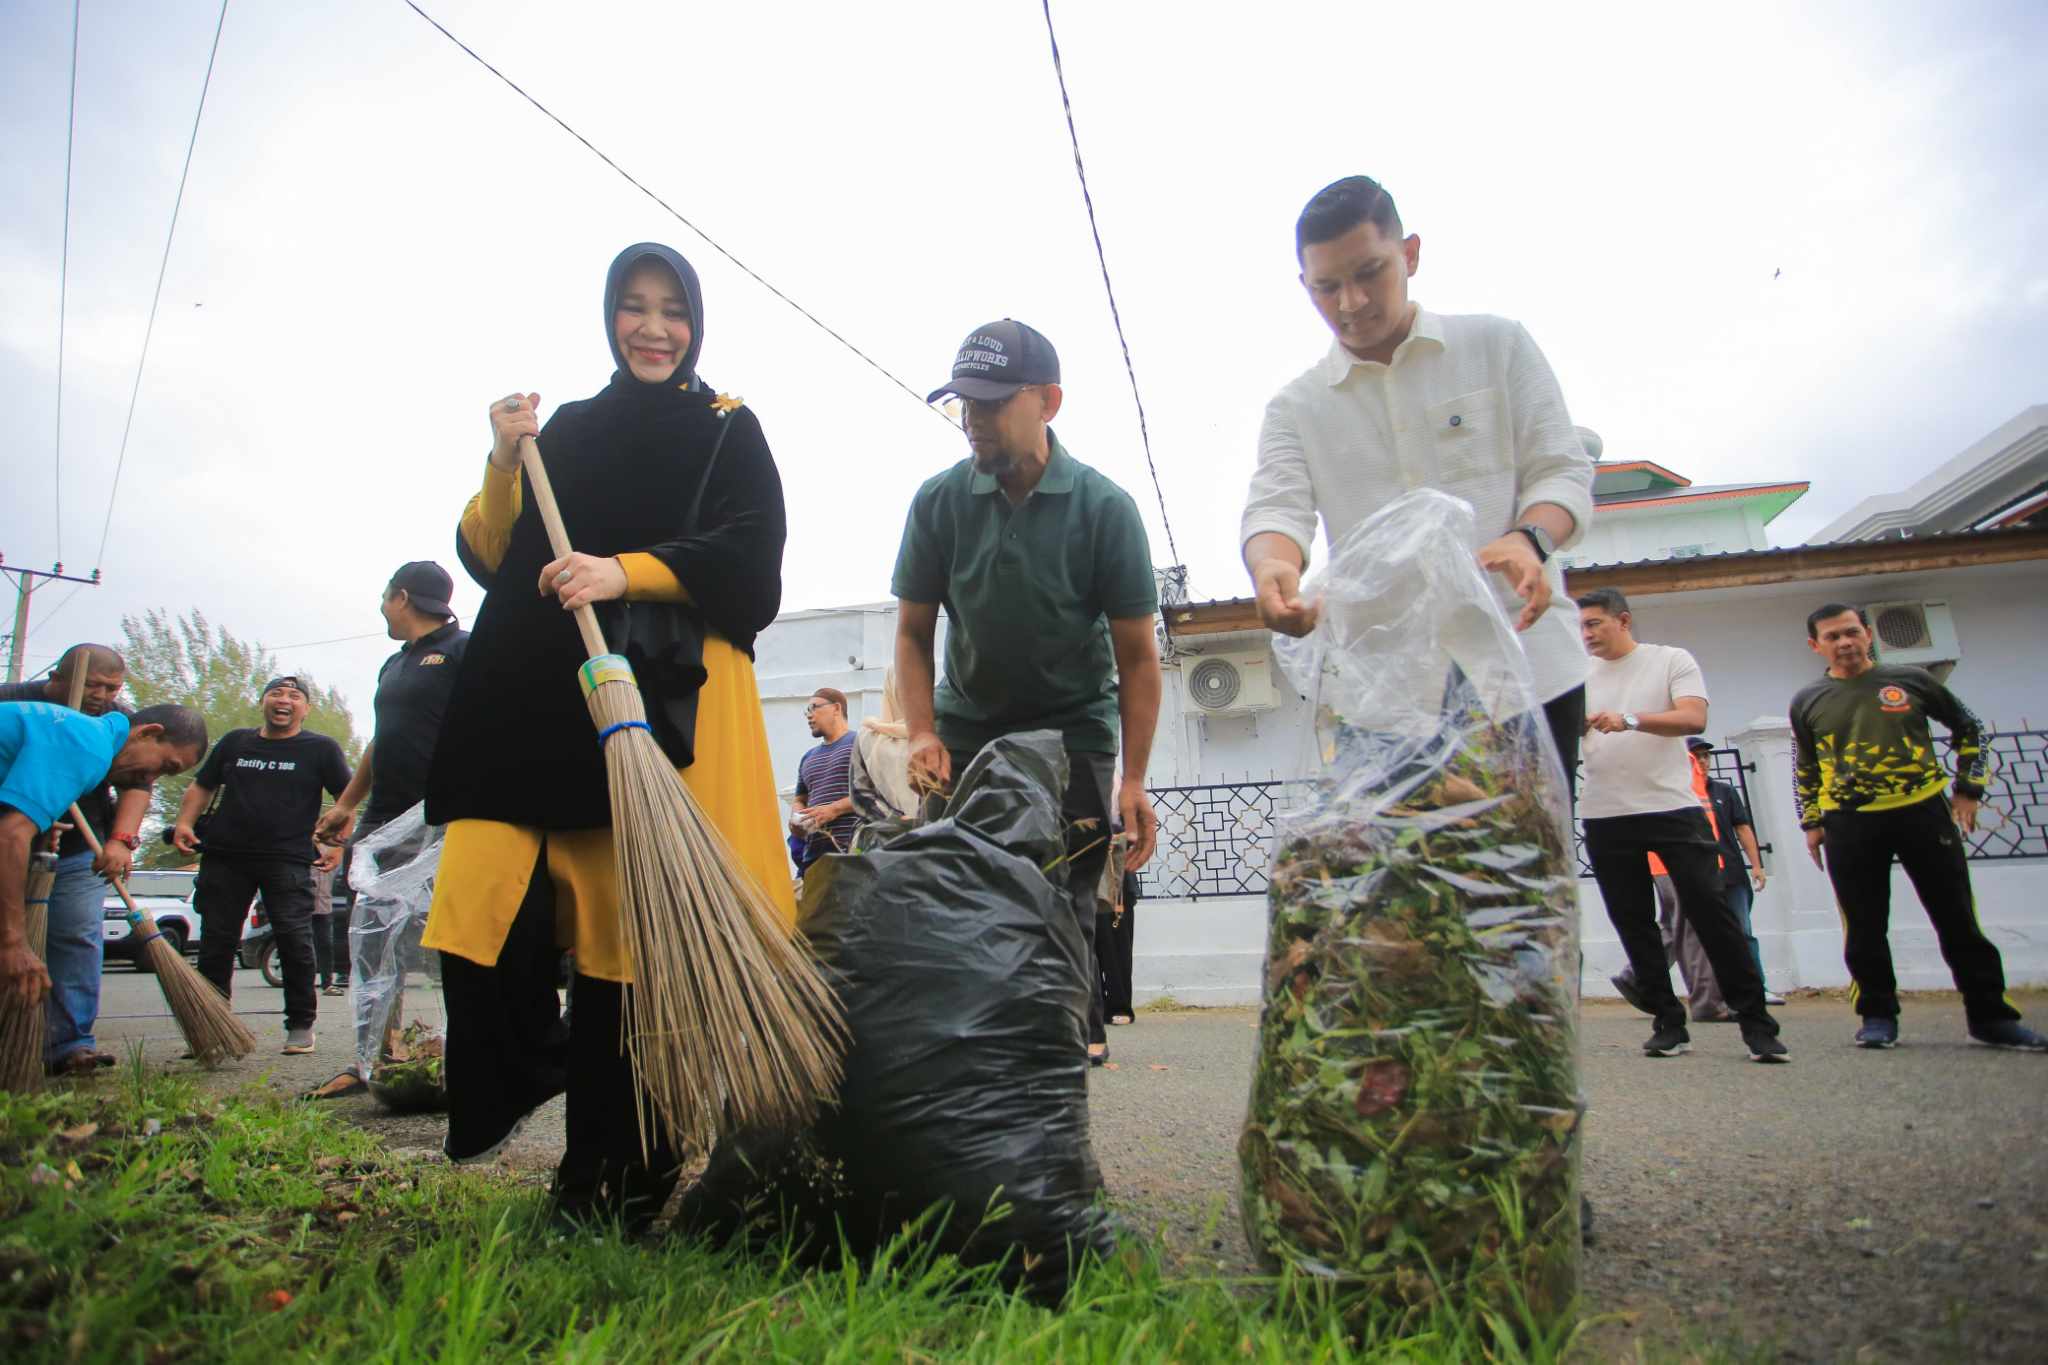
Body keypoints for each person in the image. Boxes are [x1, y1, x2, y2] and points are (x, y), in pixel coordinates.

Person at [420, 242, 795, 1230]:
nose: (653, 328)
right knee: (475, 901)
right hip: (544, 712)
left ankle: (612, 1185)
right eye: (633, 307)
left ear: (695, 322)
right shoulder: (569, 431)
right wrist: (504, 460)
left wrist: (621, 570)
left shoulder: (726, 428)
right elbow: (500, 552)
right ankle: (527, 1066)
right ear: (608, 317)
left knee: (631, 960)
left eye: (671, 309)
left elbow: (750, 562)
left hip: (676, 710)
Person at [1240, 175, 1595, 792]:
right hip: (1383, 698)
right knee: (1407, 880)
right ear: (1305, 286)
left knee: (1530, 877)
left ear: (1410, 254)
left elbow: (1561, 468)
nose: (1350, 302)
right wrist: (1273, 569)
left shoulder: (1496, 345)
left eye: (1369, 273)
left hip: (1523, 670)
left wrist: (1527, 539)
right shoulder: (1296, 408)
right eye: (1327, 287)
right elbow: (1277, 508)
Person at [894, 318, 1162, 1067]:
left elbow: (1139, 659)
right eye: (963, 405)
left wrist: (1132, 777)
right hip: (968, 726)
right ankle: (975, 1048)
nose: (972, 420)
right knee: (961, 886)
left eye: (989, 402)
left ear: (1048, 401)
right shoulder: (939, 503)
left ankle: (1063, 1041)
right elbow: (913, 635)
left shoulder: (1105, 509)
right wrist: (922, 731)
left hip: (1074, 726)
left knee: (1063, 899)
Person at [1793, 603, 2043, 1051]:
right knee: (1865, 926)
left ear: (1867, 634)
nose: (1844, 642)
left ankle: (1991, 1017)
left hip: (1922, 812)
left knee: (1957, 918)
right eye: (1832, 637)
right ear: (1816, 646)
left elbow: (1970, 728)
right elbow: (1807, 766)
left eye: (1851, 632)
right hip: (1849, 822)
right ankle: (1877, 1016)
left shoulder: (1912, 681)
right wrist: (1811, 821)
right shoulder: (1807, 701)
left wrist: (1969, 787)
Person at [1577, 589, 1786, 1062]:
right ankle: (1668, 1023)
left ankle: (1757, 1026)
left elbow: (1693, 717)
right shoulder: (1579, 676)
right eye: (1582, 627)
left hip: (1672, 808)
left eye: (1594, 623)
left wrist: (1628, 719)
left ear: (1623, 620)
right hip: (1604, 813)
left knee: (1713, 915)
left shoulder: (1670, 660)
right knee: (1633, 922)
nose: (1586, 634)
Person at [305, 561, 471, 1099]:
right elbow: (383, 739)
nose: (382, 608)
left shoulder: (465, 650)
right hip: (386, 821)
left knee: (450, 941)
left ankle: (461, 1058)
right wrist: (348, 803)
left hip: (447, 818)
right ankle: (374, 1057)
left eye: (385, 598)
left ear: (402, 597)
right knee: (377, 941)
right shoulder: (394, 665)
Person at [172, 677, 350, 1055]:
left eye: (294, 696)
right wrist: (185, 823)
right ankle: (213, 1025)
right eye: (276, 694)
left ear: (306, 708)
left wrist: (336, 845)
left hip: (286, 858)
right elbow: (202, 787)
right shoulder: (236, 742)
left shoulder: (320, 748)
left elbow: (344, 799)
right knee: (217, 942)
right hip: (225, 855)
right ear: (264, 701)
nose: (284, 701)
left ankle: (301, 1024)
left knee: (294, 939)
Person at [0, 645, 153, 1074]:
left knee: (78, 939)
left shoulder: (113, 721)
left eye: (112, 687)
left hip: (77, 849)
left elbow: (138, 783)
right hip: (13, 840)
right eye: (93, 685)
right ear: (59, 678)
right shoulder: (13, 700)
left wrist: (121, 840)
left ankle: (70, 1045)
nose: (102, 696)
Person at [0, 699, 207, 1008]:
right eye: (166, 766)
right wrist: (12, 942)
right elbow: (10, 836)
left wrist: (40, 822)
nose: (152, 779)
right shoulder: (90, 748)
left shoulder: (78, 731)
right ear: (148, 733)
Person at [1699, 739, 1784, 1007]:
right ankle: (1718, 994)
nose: (1702, 762)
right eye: (1696, 757)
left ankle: (1757, 987)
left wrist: (1756, 865)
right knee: (1704, 936)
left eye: (1705, 756)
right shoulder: (1681, 794)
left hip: (1732, 874)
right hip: (1699, 876)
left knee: (1743, 931)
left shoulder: (1724, 791)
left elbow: (1743, 828)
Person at [791, 688, 858, 874]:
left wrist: (833, 809)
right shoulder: (808, 758)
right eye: (807, 711)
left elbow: (876, 792)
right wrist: (797, 818)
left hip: (854, 854)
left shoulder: (860, 743)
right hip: (814, 859)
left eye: (813, 708)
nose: (809, 716)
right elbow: (799, 799)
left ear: (836, 708)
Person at [1095, 836, 1138, 1027]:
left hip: (1114, 878)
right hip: (1081, 879)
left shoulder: (1122, 806)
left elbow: (1136, 834)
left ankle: (1119, 1006)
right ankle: (1095, 1008)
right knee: (1085, 951)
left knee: (1116, 948)